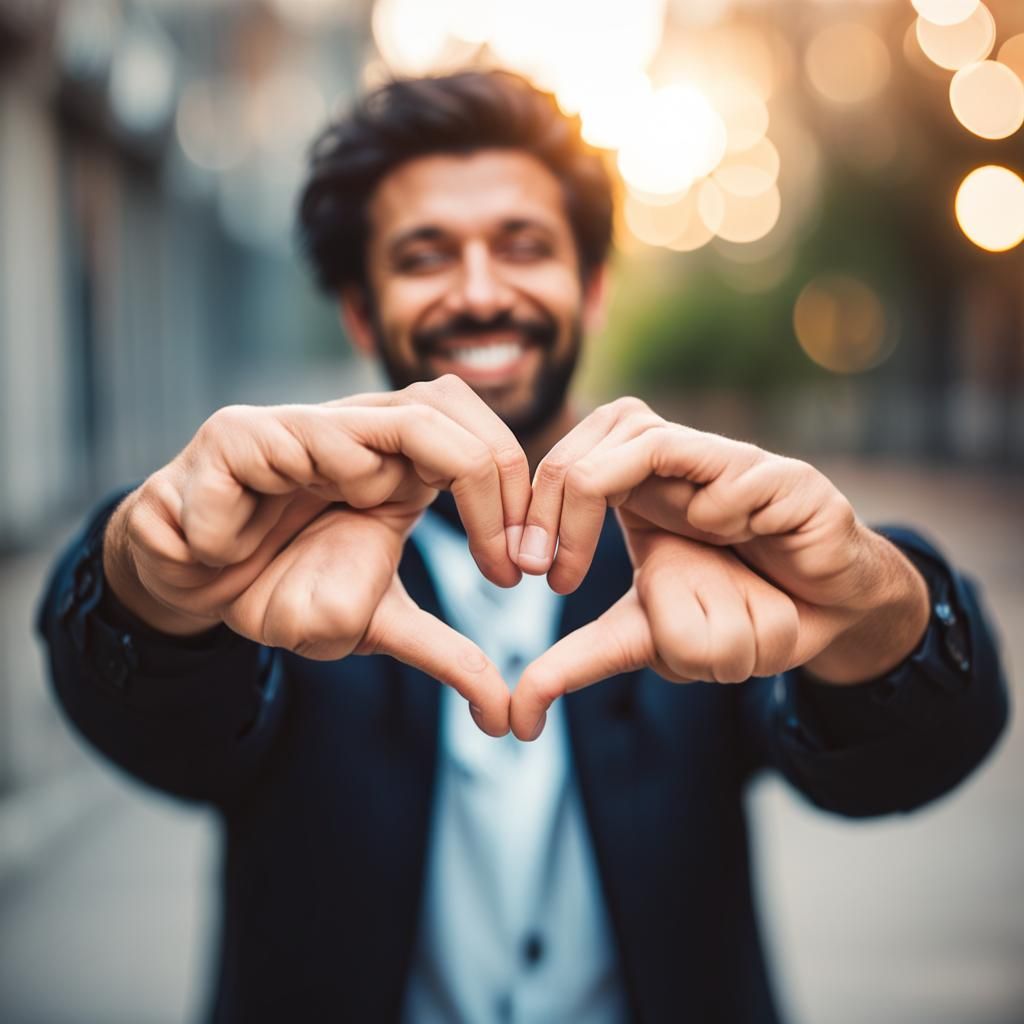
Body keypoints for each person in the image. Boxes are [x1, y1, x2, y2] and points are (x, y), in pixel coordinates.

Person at [37, 71, 1009, 1024]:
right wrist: (146, 582)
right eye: (423, 255)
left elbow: (912, 762)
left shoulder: (700, 531)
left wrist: (874, 606)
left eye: (523, 246)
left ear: (589, 291)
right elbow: (150, 730)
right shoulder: (280, 540)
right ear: (361, 313)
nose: (478, 292)